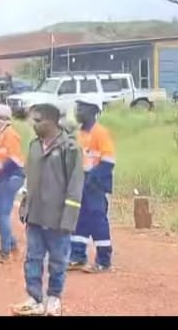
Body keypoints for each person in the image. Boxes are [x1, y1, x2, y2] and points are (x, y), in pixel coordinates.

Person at [12, 103, 84, 317]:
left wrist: (69, 219)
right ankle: (34, 298)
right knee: (32, 257)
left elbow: (75, 185)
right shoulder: (34, 146)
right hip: (35, 214)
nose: (33, 125)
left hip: (58, 216)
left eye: (37, 120)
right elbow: (30, 179)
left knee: (58, 259)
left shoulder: (69, 148)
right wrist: (25, 205)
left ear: (52, 121)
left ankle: (54, 299)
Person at [69, 97, 116, 274]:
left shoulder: (100, 133)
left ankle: (104, 260)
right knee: (79, 220)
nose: (77, 112)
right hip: (81, 181)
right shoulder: (79, 134)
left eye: (81, 109)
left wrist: (92, 179)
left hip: (95, 184)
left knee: (97, 220)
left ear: (93, 111)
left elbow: (109, 160)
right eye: (77, 108)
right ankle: (77, 256)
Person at [0, 104, 25, 263]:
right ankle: (11, 245)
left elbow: (14, 159)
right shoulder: (1, 133)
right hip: (2, 177)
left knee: (2, 213)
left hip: (9, 177)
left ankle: (5, 252)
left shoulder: (10, 134)